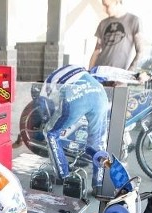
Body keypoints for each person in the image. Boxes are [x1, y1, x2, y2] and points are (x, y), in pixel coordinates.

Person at [35, 64, 110, 192]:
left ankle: (63, 175)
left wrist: (45, 120)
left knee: (50, 133)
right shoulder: (74, 68)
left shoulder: (48, 81)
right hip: (100, 93)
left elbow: (43, 106)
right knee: (97, 141)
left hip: (77, 96)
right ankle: (99, 184)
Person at [88, 0, 143, 71]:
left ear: (117, 2)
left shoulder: (134, 21)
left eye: (107, 6)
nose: (104, 9)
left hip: (119, 75)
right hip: (99, 72)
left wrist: (128, 74)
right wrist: (89, 72)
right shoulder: (103, 23)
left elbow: (141, 51)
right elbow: (96, 51)